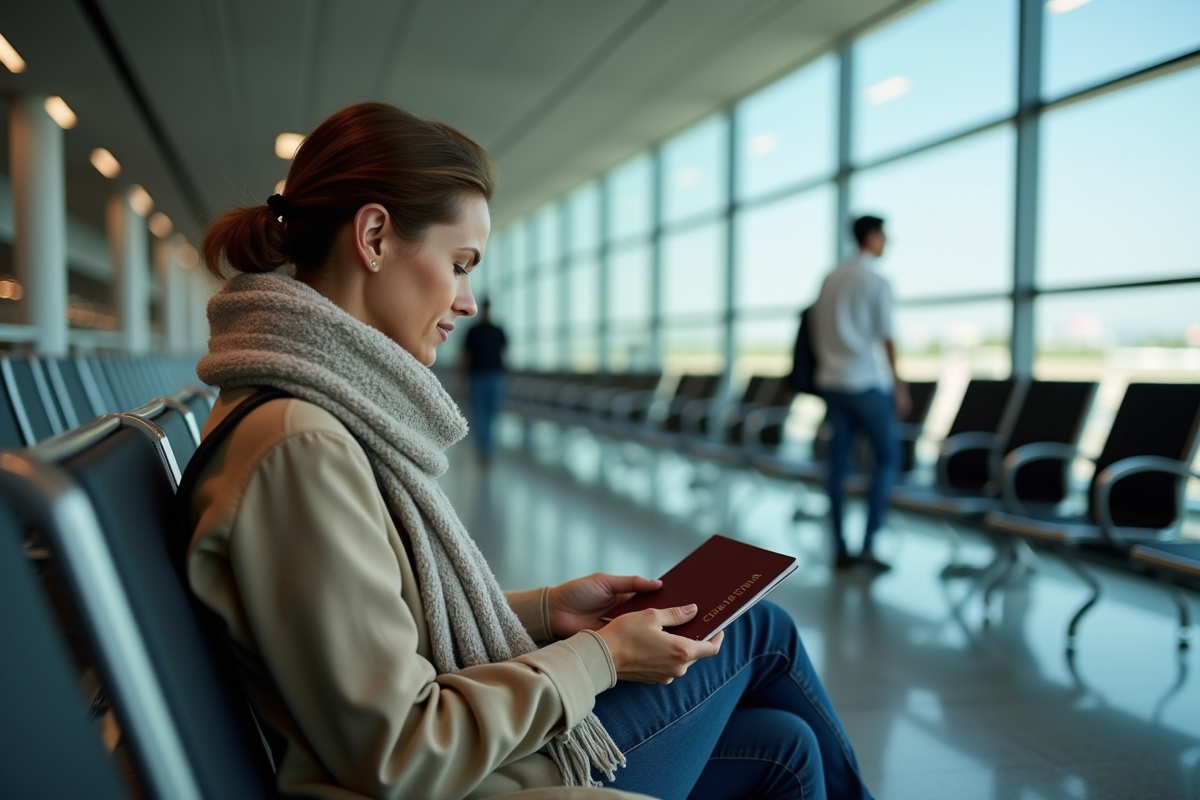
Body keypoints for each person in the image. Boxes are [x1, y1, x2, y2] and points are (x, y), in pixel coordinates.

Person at [185, 101, 874, 800]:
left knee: (786, 747)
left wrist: (548, 612)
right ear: (373, 236)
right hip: (468, 782)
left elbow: (376, 633)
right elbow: (400, 750)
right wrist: (602, 656)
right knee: (759, 629)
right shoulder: (300, 446)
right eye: (458, 264)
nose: (468, 300)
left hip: (465, 764)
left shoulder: (303, 415)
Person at [811, 215, 910, 572]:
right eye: (885, 236)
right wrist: (899, 383)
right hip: (866, 383)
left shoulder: (830, 278)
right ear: (871, 237)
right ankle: (868, 545)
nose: (887, 243)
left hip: (833, 383)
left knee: (838, 465)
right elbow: (886, 336)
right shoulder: (875, 280)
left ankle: (839, 546)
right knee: (886, 458)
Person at [460, 298, 508, 464]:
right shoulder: (474, 331)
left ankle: (486, 446)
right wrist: (463, 377)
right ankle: (484, 448)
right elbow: (466, 356)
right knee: (480, 415)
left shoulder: (497, 330)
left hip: (494, 376)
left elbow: (504, 354)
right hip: (479, 376)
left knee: (491, 413)